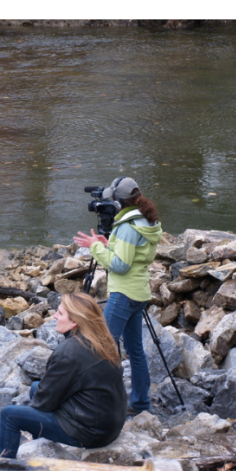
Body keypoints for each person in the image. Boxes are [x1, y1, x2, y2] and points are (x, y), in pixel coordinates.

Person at [0, 293, 126, 458]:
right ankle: (42, 449)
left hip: (90, 433)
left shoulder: (68, 352)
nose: (55, 316)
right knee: (36, 387)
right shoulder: (102, 341)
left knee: (9, 415)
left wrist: (29, 413)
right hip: (109, 424)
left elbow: (44, 403)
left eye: (60, 313)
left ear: (74, 322)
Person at [74, 178, 162, 417]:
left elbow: (120, 265)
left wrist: (95, 248)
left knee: (102, 347)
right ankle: (141, 404)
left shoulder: (125, 226)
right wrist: (107, 243)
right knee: (135, 351)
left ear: (118, 200)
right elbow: (133, 254)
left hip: (123, 294)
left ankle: (98, 402)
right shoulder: (145, 220)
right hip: (139, 292)